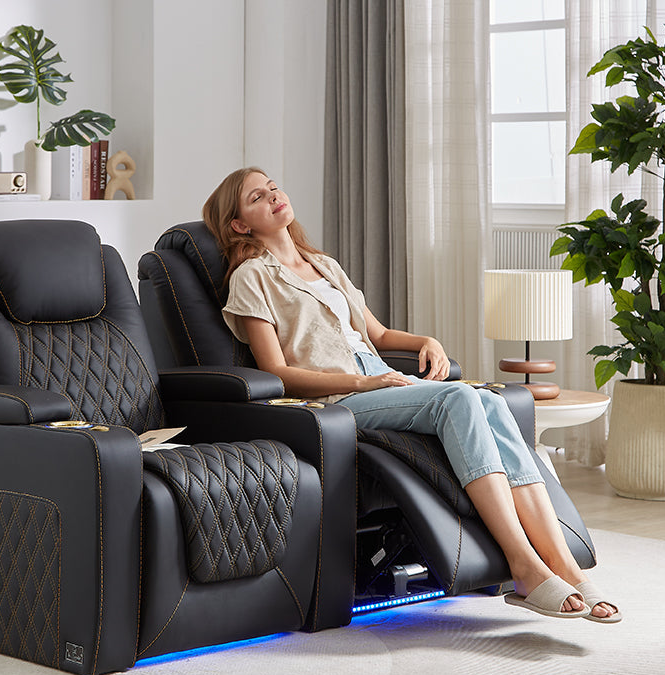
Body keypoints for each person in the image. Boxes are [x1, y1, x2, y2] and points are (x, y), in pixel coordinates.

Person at [204, 167, 620, 623]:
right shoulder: (251, 278)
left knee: (491, 400)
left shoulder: (324, 265)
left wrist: (426, 341)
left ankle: (563, 565)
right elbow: (276, 371)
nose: (273, 196)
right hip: (336, 401)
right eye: (256, 197)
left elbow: (376, 333)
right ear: (240, 225)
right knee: (457, 399)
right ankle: (524, 567)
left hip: (380, 377)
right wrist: (363, 383)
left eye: (273, 187)